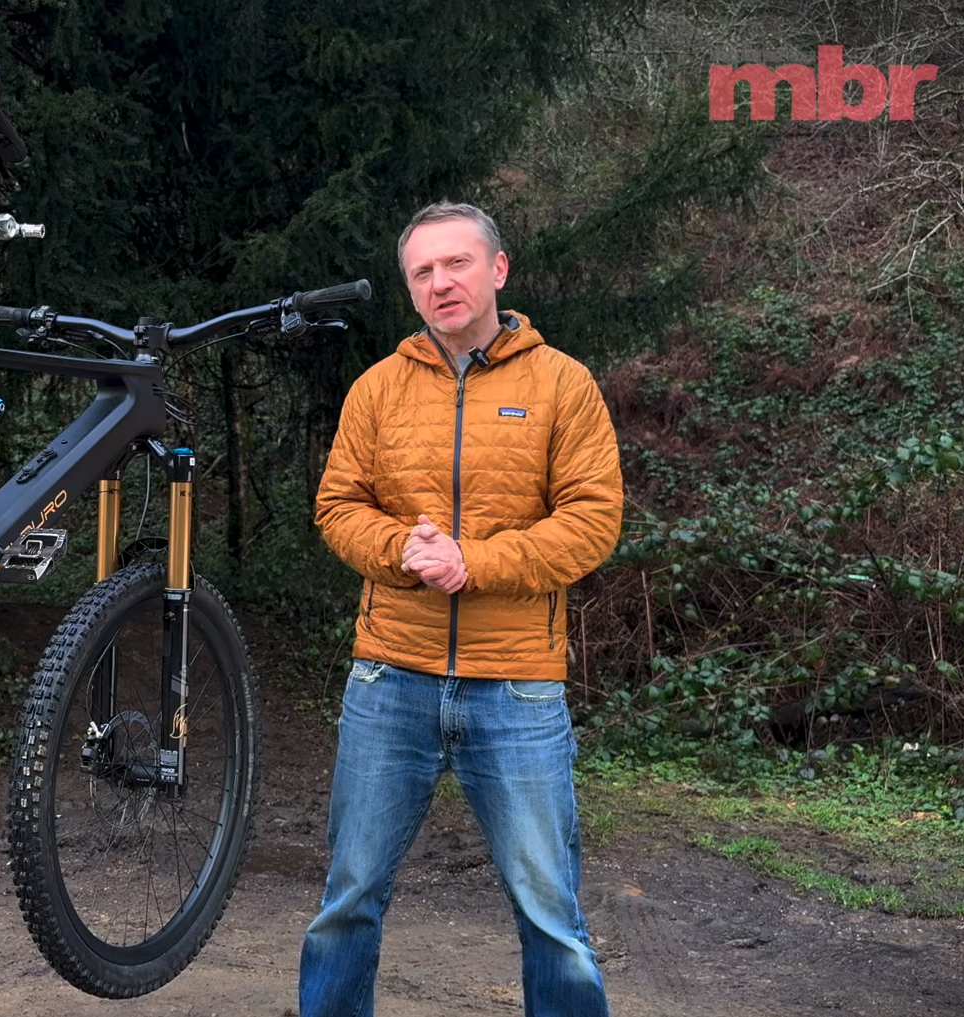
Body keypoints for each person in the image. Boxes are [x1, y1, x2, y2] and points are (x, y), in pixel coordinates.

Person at [298, 201, 624, 1017]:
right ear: (410, 288)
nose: (440, 283)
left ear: (497, 270)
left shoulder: (562, 384)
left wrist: (470, 562)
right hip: (388, 680)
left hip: (516, 687)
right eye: (422, 272)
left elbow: (591, 521)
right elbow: (338, 504)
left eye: (456, 264)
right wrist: (398, 549)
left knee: (550, 913)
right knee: (346, 902)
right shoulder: (376, 388)